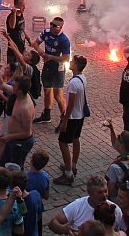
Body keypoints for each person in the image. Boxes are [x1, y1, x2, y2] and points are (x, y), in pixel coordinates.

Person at [54, 54, 89, 186]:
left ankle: (68, 174)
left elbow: (70, 104)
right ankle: (73, 165)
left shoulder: (73, 83)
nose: (70, 63)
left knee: (63, 143)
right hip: (80, 116)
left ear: (76, 65)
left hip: (73, 117)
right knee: (75, 139)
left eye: (72, 62)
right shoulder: (82, 78)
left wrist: (64, 121)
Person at [48, 175, 118, 234]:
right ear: (89, 192)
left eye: (105, 191)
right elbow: (53, 223)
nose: (104, 195)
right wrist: (63, 229)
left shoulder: (114, 209)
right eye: (99, 192)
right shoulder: (78, 205)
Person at [33, 17, 70, 125]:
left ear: (61, 28)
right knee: (47, 90)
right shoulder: (46, 32)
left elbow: (66, 58)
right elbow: (35, 44)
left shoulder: (64, 40)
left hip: (58, 69)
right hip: (47, 66)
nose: (52, 27)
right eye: (51, 24)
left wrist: (49, 56)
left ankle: (64, 120)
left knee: (58, 95)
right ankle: (46, 114)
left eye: (55, 26)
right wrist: (42, 53)